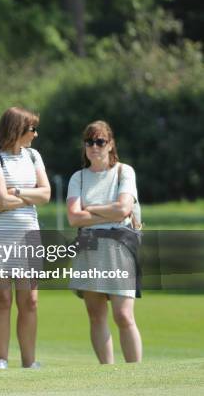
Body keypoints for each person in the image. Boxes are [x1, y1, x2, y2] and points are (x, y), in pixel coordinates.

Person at [0, 107, 50, 369]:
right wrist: (29, 195)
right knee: (3, 299)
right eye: (32, 129)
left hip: (28, 235)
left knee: (29, 300)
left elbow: (46, 194)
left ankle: (29, 362)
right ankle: (2, 360)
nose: (35, 134)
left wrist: (16, 190)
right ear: (17, 130)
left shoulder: (34, 156)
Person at [66, 120, 142, 364]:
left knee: (123, 315)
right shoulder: (78, 177)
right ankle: (107, 372)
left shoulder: (123, 171)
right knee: (96, 315)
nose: (94, 147)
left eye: (100, 141)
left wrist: (91, 209)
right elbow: (74, 217)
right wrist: (108, 212)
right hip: (89, 246)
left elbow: (124, 209)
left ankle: (135, 371)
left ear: (110, 144)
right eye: (89, 142)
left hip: (120, 246)